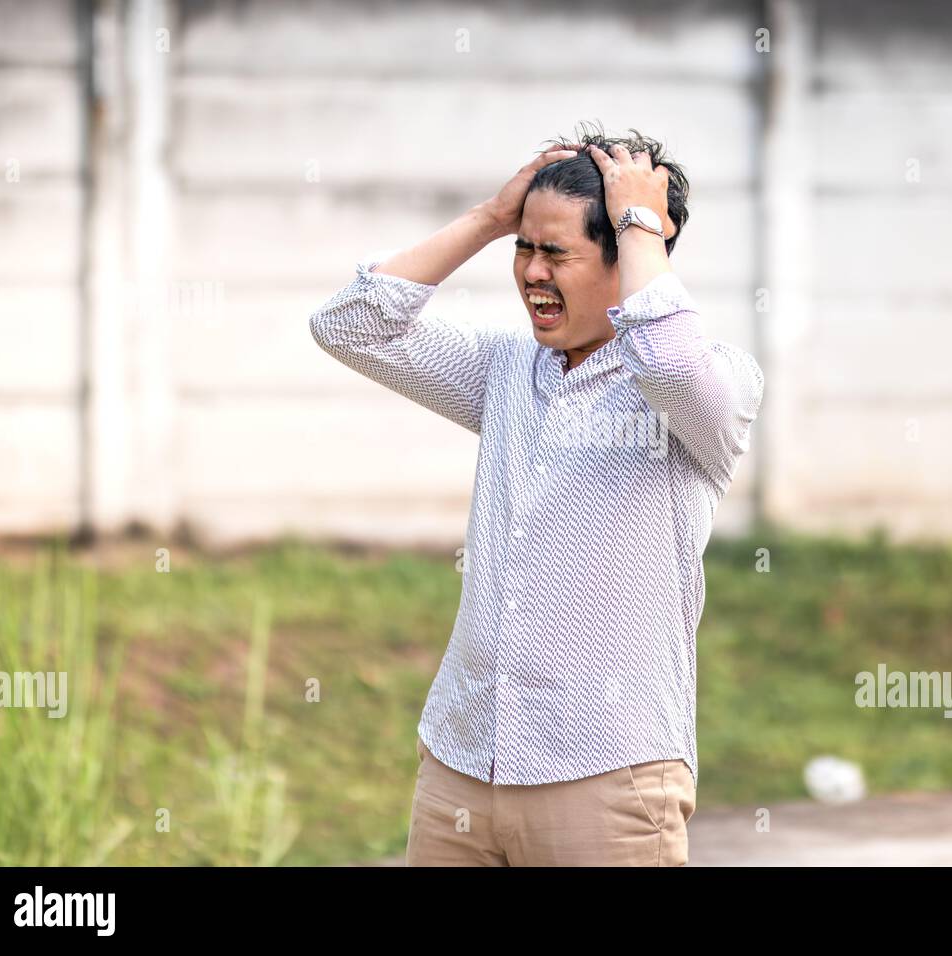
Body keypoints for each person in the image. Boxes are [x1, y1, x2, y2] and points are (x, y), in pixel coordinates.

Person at [309, 122, 764, 866]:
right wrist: (491, 218)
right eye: (526, 247)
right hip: (463, 765)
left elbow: (671, 365)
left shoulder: (710, 388)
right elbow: (350, 326)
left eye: (557, 252)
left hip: (607, 781)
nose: (530, 272)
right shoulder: (505, 369)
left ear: (629, 260)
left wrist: (641, 221)